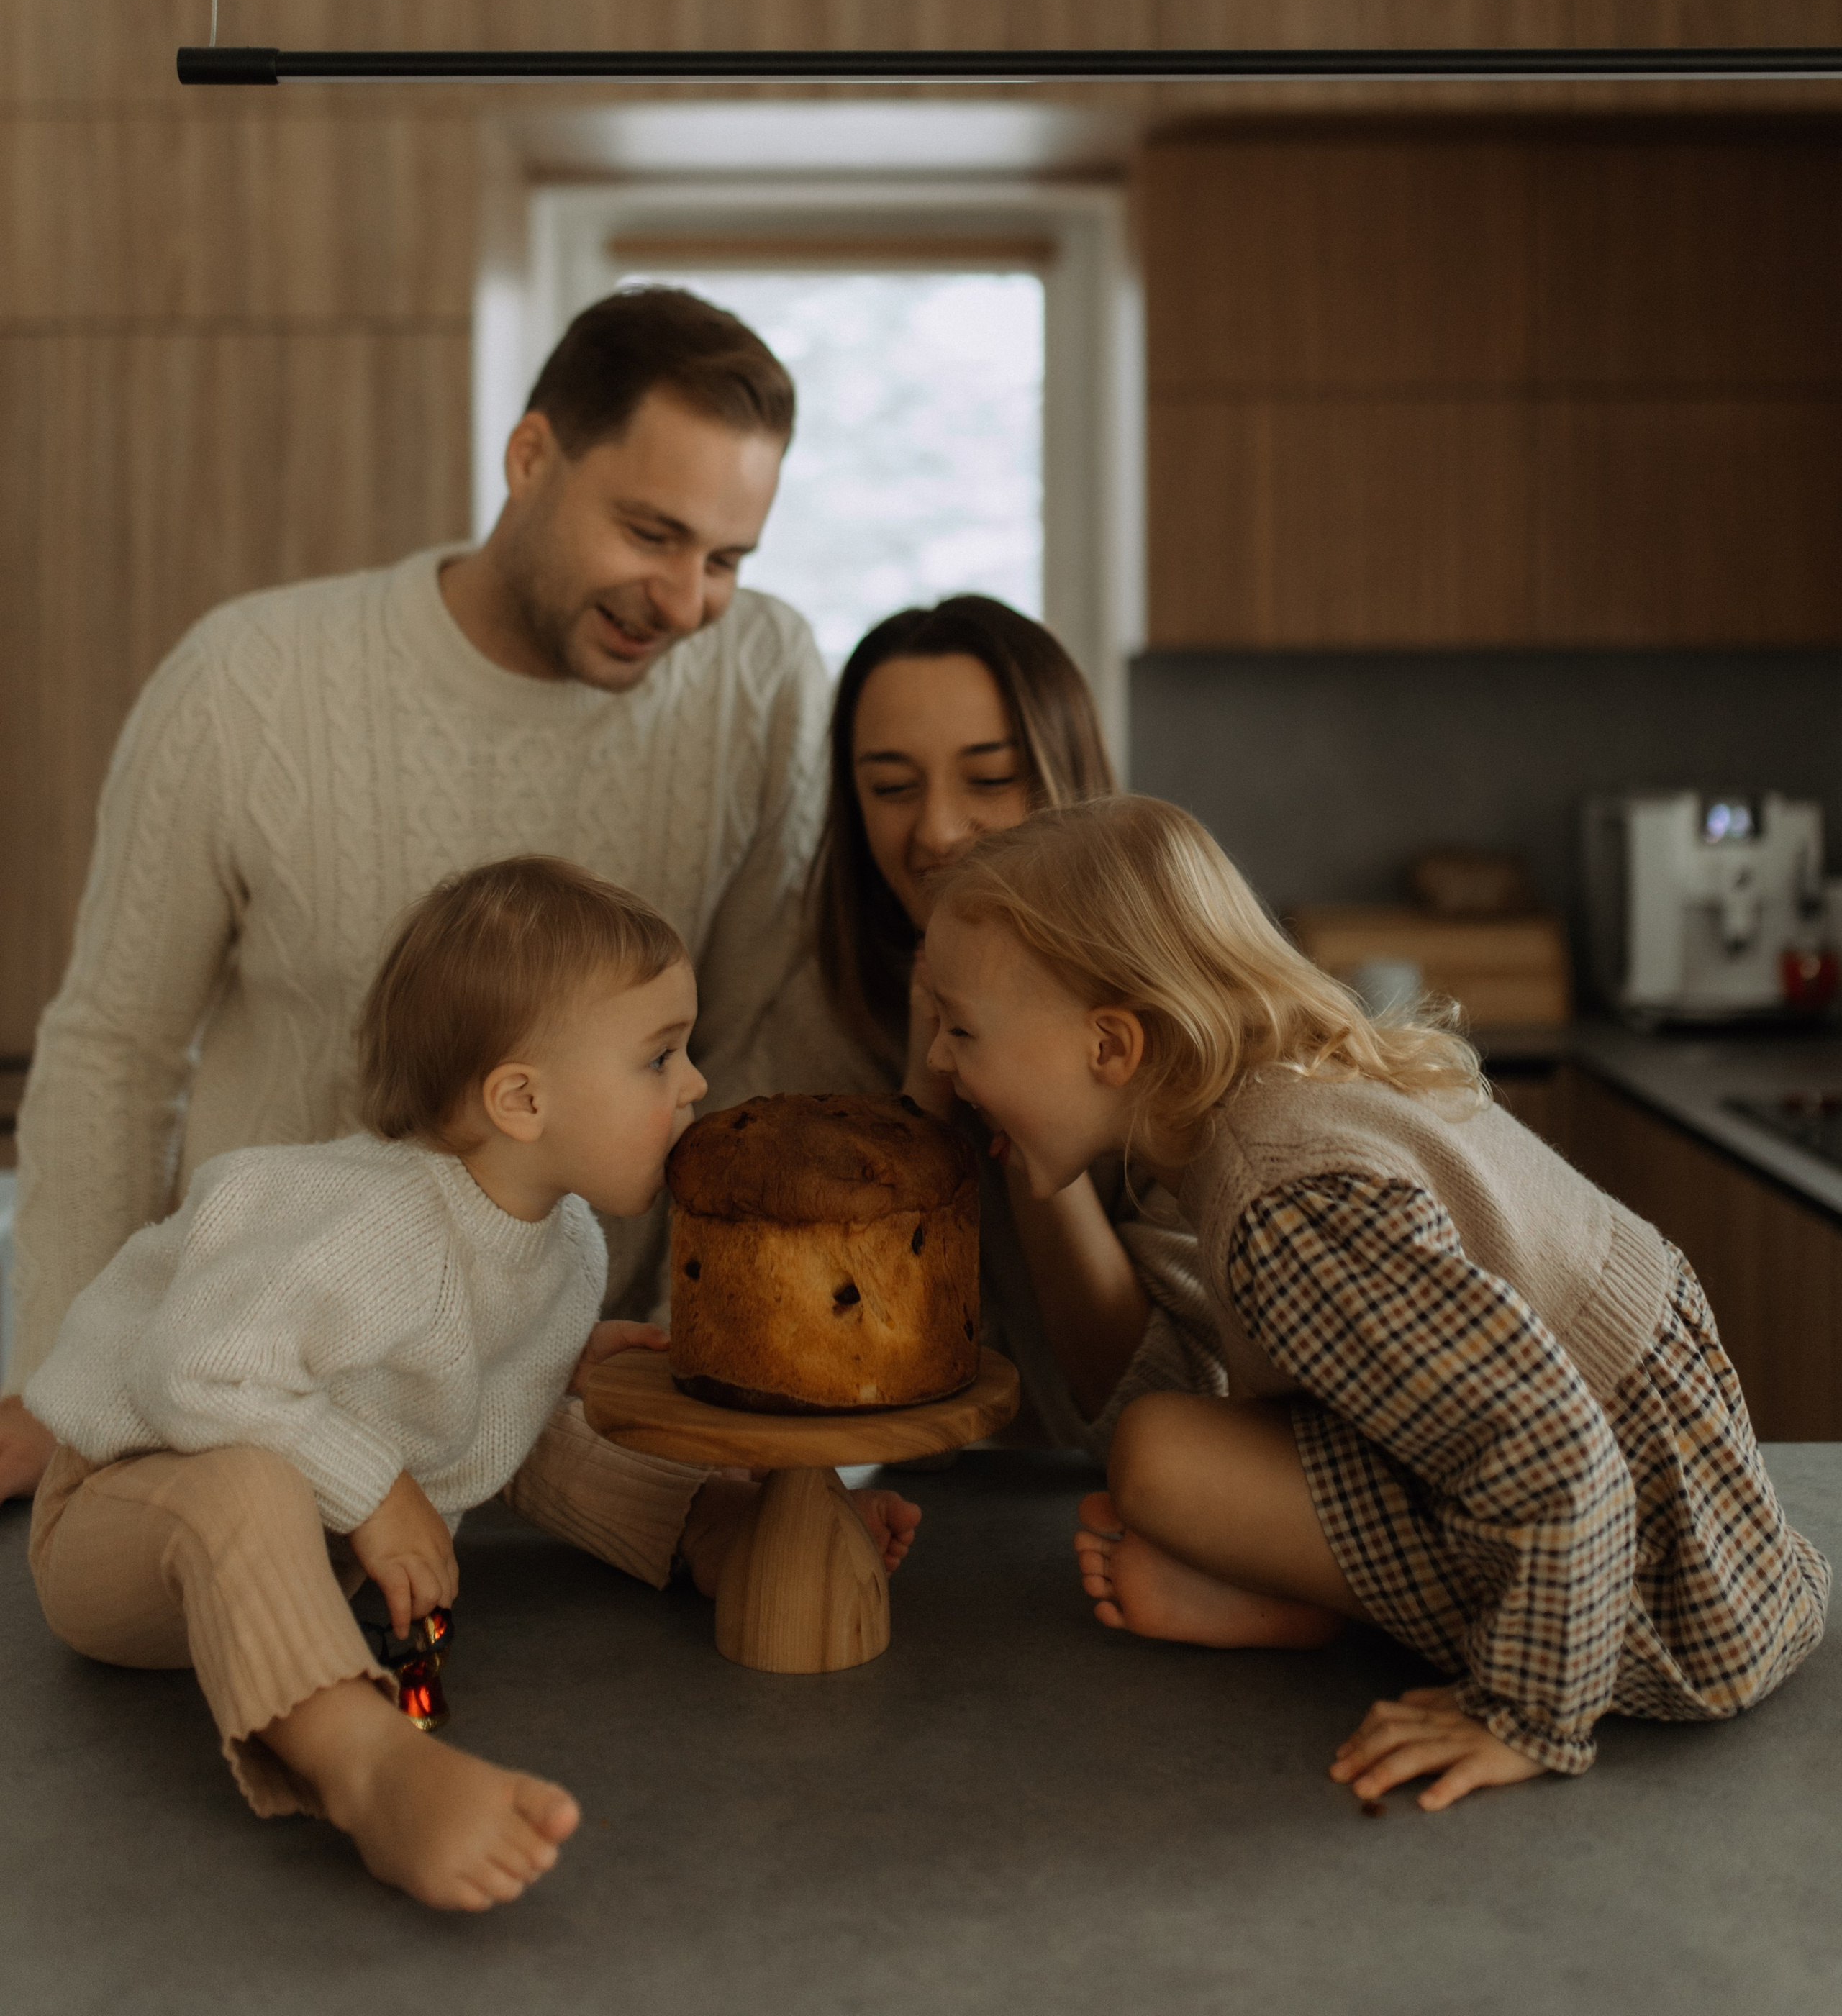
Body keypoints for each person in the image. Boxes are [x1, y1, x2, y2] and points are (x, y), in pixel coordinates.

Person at [1, 287, 832, 1506]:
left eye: (727, 559)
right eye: (652, 534)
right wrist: (50, 1383)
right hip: (248, 1408)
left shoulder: (765, 679)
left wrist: (695, 1352)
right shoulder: (250, 679)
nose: (689, 601)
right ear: (531, 456)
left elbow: (755, 1046)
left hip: (558, 1402)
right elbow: (115, 1049)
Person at [24, 857, 920, 1911]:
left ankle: (705, 1528)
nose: (696, 1084)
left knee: (520, 1422)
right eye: (659, 1056)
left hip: (291, 1539)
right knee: (249, 1482)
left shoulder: (569, 1244)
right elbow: (192, 1373)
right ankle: (368, 1769)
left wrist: (564, 1364)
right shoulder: (379, 1227)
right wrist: (381, 1493)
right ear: (523, 1099)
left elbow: (468, 1395)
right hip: (124, 1518)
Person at [918, 795, 1828, 1808]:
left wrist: (1523, 1715)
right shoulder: (1266, 1107)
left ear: (1111, 1050)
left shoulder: (1288, 1209)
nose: (938, 1065)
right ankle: (1302, 1612)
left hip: (1663, 1586)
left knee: (1157, 1459)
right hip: (1642, 1489)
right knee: (1172, 1446)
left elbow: (1555, 1447)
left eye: (961, 1030)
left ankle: (1407, 1645)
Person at [805, 597, 1225, 1450]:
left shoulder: (1177, 1019)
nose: (937, 830)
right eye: (890, 787)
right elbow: (823, 1350)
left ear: (1064, 780)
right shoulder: (827, 1003)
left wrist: (1026, 1089)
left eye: (989, 779)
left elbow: (1171, 1405)